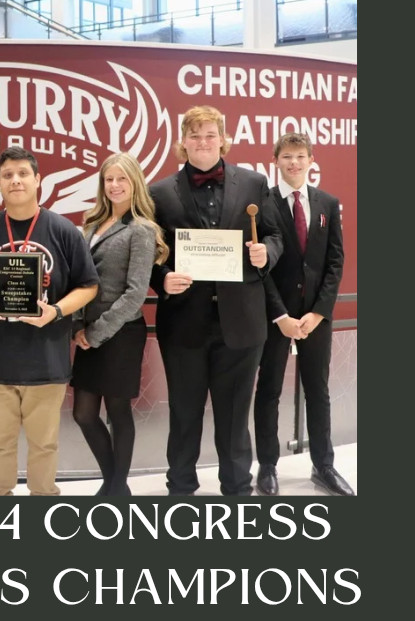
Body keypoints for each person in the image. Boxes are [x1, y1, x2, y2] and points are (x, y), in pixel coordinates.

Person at [149, 106, 282, 496]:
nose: (203, 142)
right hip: (183, 322)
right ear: (182, 142)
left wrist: (266, 254)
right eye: (194, 135)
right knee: (184, 413)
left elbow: (275, 235)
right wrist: (162, 278)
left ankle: (238, 489)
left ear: (223, 139)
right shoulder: (159, 192)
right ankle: (181, 488)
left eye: (210, 134)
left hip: (241, 322)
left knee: (235, 415)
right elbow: (151, 253)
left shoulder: (255, 183)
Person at [0, 147, 100, 496]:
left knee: (44, 447)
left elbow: (89, 286)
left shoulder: (65, 232)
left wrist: (56, 311)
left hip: (46, 360)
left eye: (23, 173)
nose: (16, 180)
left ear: (38, 180)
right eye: (7, 175)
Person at [253, 133, 353, 496]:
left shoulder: (327, 202)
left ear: (312, 160)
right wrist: (281, 315)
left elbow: (334, 262)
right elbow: (258, 269)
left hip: (315, 318)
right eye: (287, 157)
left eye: (300, 156)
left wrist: (318, 313)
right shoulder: (261, 204)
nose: (294, 163)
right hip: (275, 316)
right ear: (275, 160)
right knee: (268, 390)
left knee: (318, 391)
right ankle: (266, 465)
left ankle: (324, 465)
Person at [70, 152, 169, 497]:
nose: (114, 185)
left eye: (121, 179)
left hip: (121, 333)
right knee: (83, 413)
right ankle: (115, 483)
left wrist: (95, 333)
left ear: (135, 183)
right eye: (108, 179)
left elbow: (135, 294)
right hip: (88, 333)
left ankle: (114, 487)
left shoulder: (141, 230)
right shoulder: (91, 226)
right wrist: (79, 328)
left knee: (117, 410)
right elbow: (79, 281)